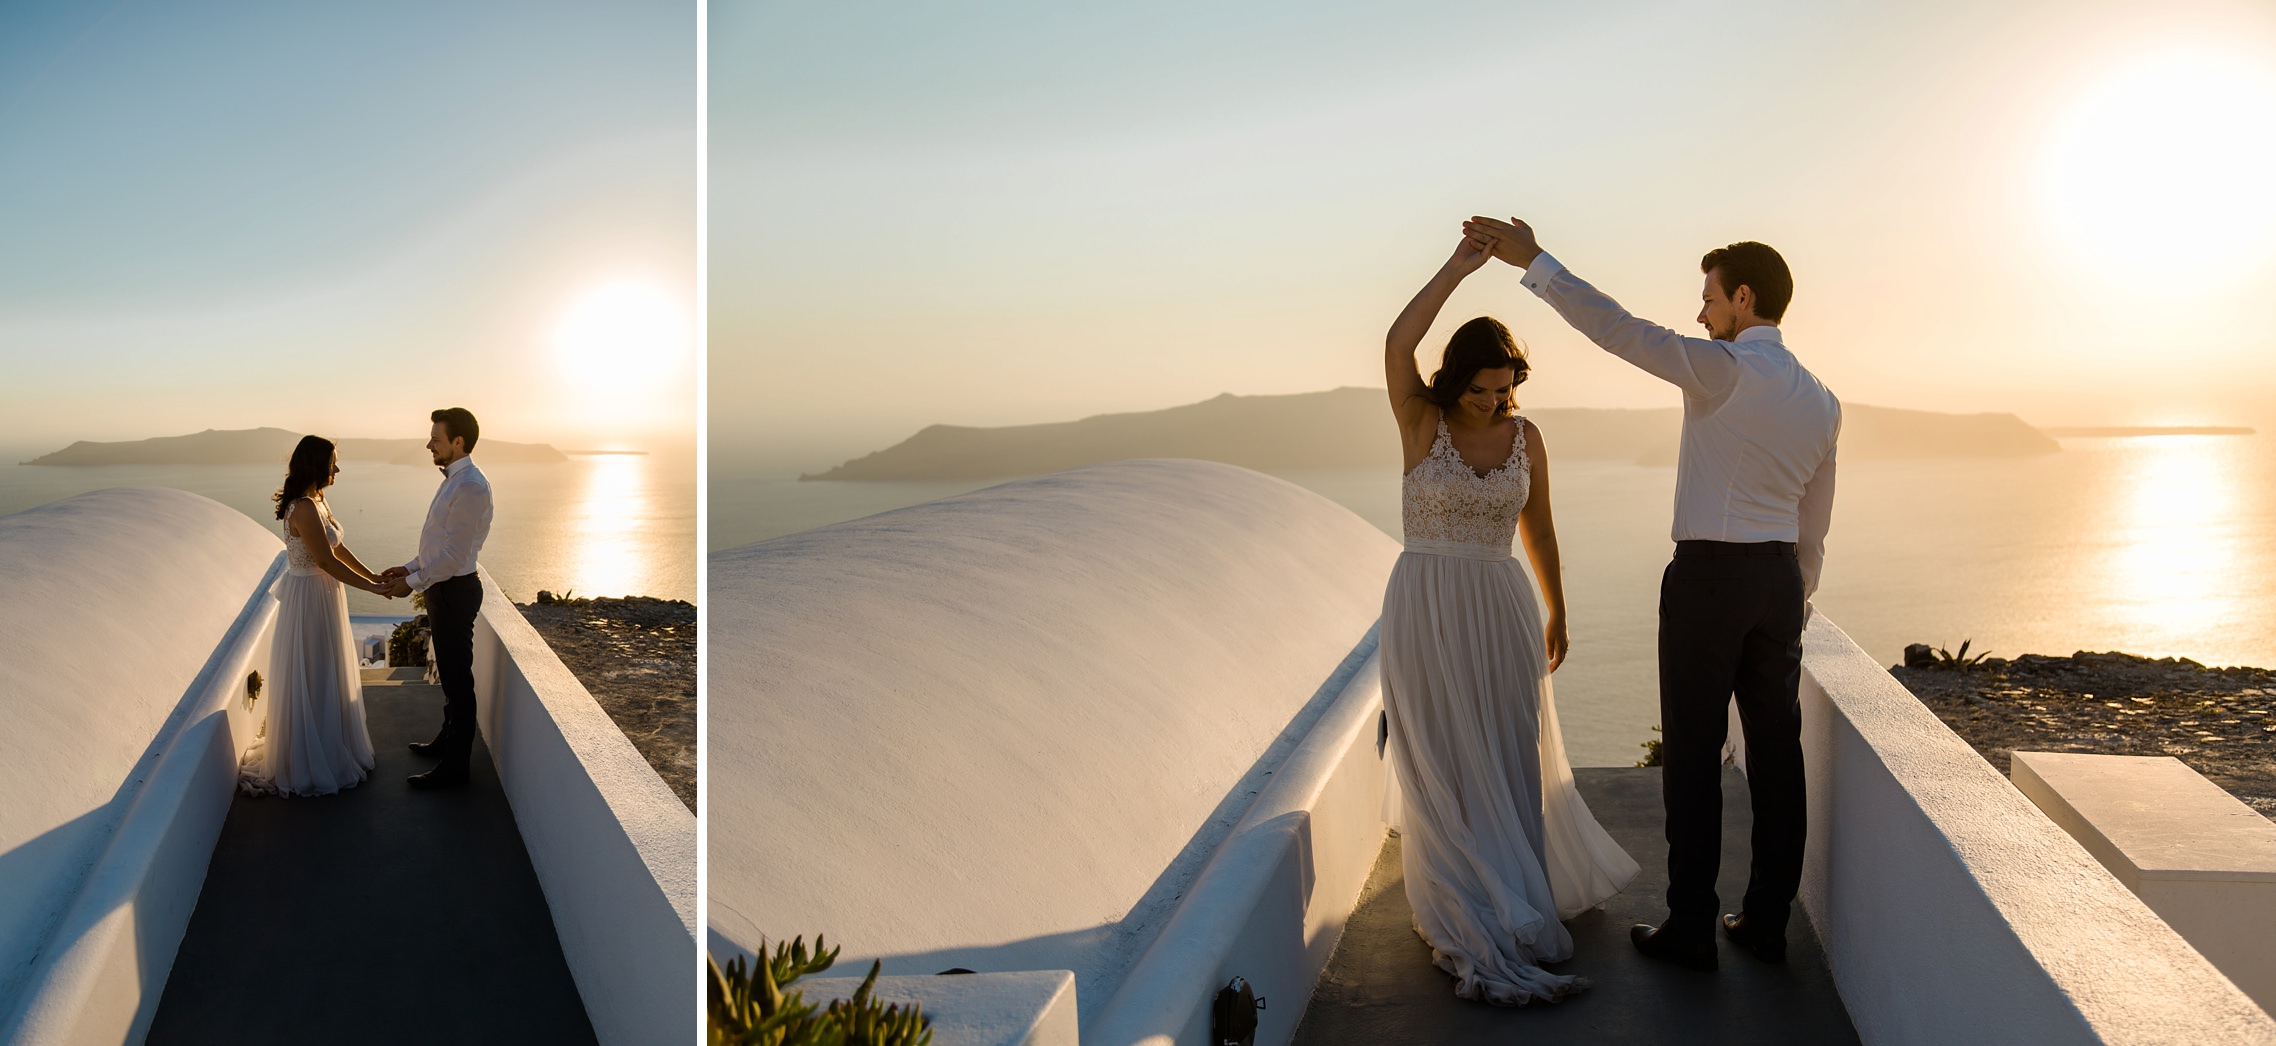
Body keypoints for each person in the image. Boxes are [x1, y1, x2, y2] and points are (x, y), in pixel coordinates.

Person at [1465, 215, 1840, 971]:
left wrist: (1535, 262)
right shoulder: (1823, 399)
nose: (1700, 314)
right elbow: (1815, 526)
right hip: (1776, 581)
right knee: (1776, 752)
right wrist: (1791, 598)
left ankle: (1692, 926)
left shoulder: (1723, 370)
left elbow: (1620, 331)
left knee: (1694, 753)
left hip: (1709, 578)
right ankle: (1766, 920)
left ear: (1743, 297)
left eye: (1708, 299)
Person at [1375, 229, 1640, 1004]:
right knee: (1443, 755)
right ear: (1454, 380)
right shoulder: (1420, 421)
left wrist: (1560, 610)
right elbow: (1398, 339)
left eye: (1505, 386)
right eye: (1481, 387)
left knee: (1508, 746)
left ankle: (1514, 890)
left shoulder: (1527, 437)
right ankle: (1467, 900)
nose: (1494, 399)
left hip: (1503, 603)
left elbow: (1542, 529)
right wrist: (1460, 268)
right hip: (1425, 603)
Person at [239, 435, 388, 797]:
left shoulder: (318, 500)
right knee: (315, 670)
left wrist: (373, 576)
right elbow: (324, 560)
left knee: (325, 671)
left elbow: (339, 547)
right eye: (333, 461)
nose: (337, 468)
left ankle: (326, 746)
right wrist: (371, 590)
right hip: (309, 598)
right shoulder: (303, 507)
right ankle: (309, 760)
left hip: (324, 594)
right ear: (316, 463)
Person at [379, 407, 494, 790]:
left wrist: (412, 582)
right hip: (444, 588)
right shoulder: (454, 482)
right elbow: (437, 546)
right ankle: (447, 741)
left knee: (458, 680)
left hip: (453, 591)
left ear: (458, 442)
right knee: (450, 675)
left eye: (436, 438)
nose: (429, 443)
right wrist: (407, 567)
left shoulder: (471, 487)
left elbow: (455, 557)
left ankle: (456, 768)